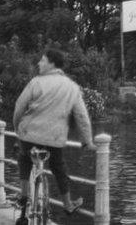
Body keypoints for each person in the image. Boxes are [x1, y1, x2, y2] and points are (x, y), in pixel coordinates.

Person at [13, 48, 95, 214]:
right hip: (54, 138)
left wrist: (17, 128)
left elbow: (19, 107)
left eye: (42, 60)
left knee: (24, 158)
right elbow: (82, 117)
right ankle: (67, 204)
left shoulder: (36, 82)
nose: (39, 63)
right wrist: (87, 141)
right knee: (58, 166)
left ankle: (23, 195)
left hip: (30, 134)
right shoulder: (72, 87)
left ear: (52, 63)